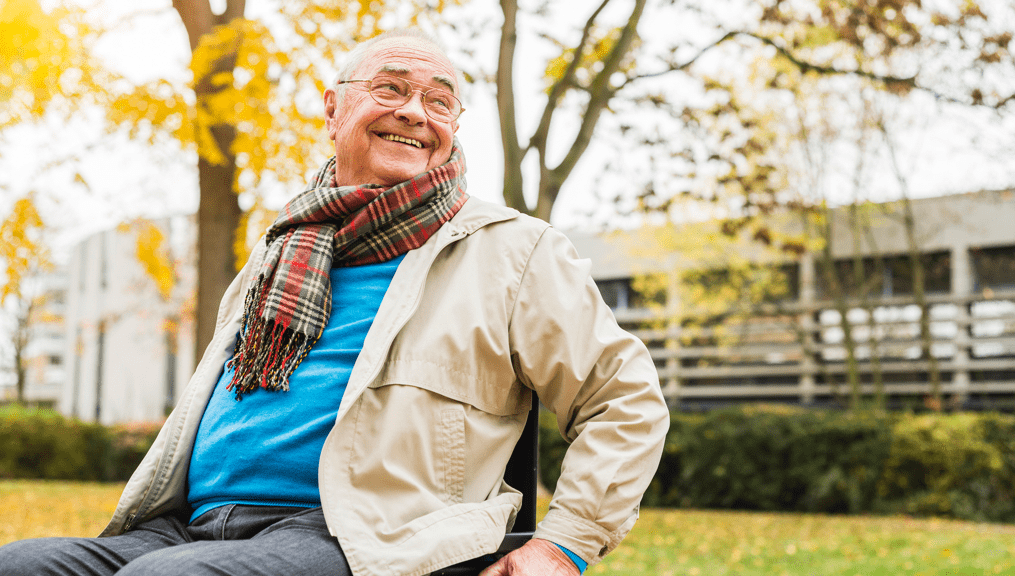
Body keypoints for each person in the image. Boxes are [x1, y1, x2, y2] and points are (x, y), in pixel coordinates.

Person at [0, 29, 668, 576]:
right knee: (22, 564)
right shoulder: (283, 245)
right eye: (391, 89)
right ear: (332, 110)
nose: (414, 111)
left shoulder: (513, 250)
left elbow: (623, 399)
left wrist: (564, 544)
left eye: (439, 102)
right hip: (194, 525)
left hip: (371, 534)